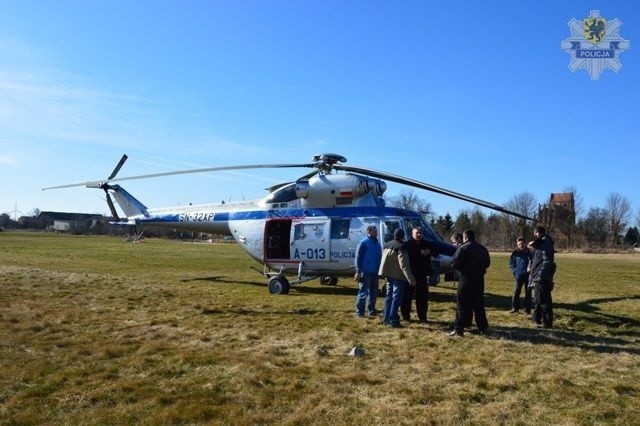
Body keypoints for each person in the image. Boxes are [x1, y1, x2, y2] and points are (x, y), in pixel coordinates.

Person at [448, 229, 491, 337]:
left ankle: (459, 329)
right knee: (479, 305)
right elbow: (487, 263)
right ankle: (483, 327)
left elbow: (454, 263)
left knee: (462, 304)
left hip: (465, 280)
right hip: (479, 280)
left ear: (465, 237)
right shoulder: (482, 249)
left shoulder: (462, 248)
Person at [378, 228, 416, 328]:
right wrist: (411, 279)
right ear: (403, 236)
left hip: (388, 275)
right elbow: (404, 265)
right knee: (396, 298)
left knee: (388, 297)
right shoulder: (402, 247)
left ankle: (386, 319)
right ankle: (393, 320)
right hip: (398, 276)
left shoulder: (387, 244)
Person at [401, 227, 435, 323]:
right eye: (417, 233)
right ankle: (405, 315)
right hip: (410, 275)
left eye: (420, 233)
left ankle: (422, 317)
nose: (419, 235)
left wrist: (429, 251)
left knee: (422, 298)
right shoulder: (407, 244)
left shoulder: (426, 244)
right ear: (412, 234)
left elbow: (436, 250)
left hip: (422, 275)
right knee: (407, 297)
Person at [529, 225, 555, 328]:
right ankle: (537, 320)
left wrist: (541, 275)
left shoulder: (545, 243)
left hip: (541, 277)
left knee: (544, 301)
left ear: (538, 233)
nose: (535, 237)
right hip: (538, 277)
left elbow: (547, 261)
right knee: (538, 300)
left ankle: (547, 323)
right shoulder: (544, 244)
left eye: (536, 234)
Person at [354, 225, 382, 318]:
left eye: (376, 231)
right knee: (363, 293)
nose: (376, 233)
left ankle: (371, 310)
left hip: (375, 272)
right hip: (365, 272)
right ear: (369, 232)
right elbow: (358, 257)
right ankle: (360, 312)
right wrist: (358, 271)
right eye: (374, 231)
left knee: (373, 293)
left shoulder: (377, 244)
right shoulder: (364, 243)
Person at [509, 236, 532, 314]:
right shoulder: (515, 253)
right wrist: (514, 271)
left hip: (529, 276)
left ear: (525, 244)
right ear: (517, 244)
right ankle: (515, 308)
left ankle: (527, 309)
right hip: (518, 275)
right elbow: (511, 263)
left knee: (528, 293)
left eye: (522, 243)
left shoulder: (530, 252)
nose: (521, 245)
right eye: (519, 244)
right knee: (516, 292)